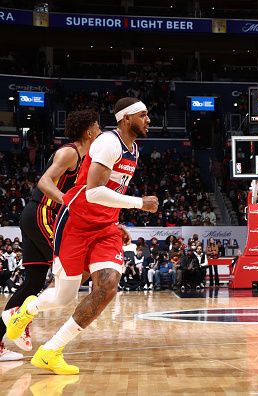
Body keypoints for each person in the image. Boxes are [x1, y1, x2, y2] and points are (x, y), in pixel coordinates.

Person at [6, 97, 158, 374]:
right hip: (75, 222)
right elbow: (93, 192)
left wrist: (116, 221)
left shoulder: (133, 149)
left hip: (105, 226)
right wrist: (140, 203)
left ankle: (51, 350)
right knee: (63, 296)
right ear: (126, 118)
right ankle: (25, 311)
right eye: (144, 115)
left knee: (108, 286)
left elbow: (111, 194)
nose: (149, 120)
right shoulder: (108, 143)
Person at [0, 110, 101, 362]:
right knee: (70, 269)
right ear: (88, 131)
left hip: (38, 215)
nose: (101, 132)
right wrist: (67, 201)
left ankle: (3, 337)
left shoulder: (87, 157)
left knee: (33, 282)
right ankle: (22, 317)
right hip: (42, 213)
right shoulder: (70, 153)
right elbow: (44, 182)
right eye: (98, 128)